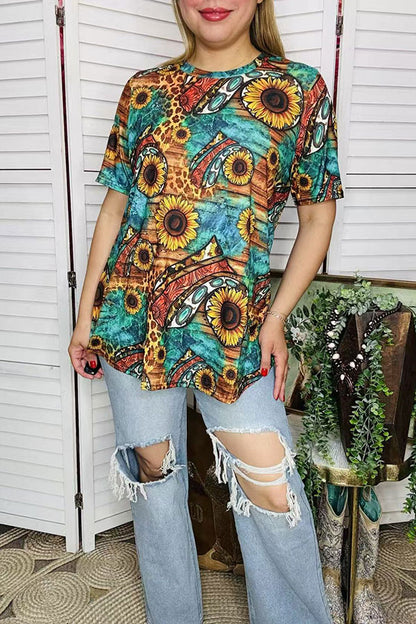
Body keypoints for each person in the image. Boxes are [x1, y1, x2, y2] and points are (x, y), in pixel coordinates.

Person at [68, 1, 344, 622]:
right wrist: (86, 316)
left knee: (271, 487)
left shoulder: (298, 90)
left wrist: (276, 318)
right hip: (132, 322)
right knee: (154, 481)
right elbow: (114, 211)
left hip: (236, 329)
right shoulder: (144, 90)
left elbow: (317, 218)